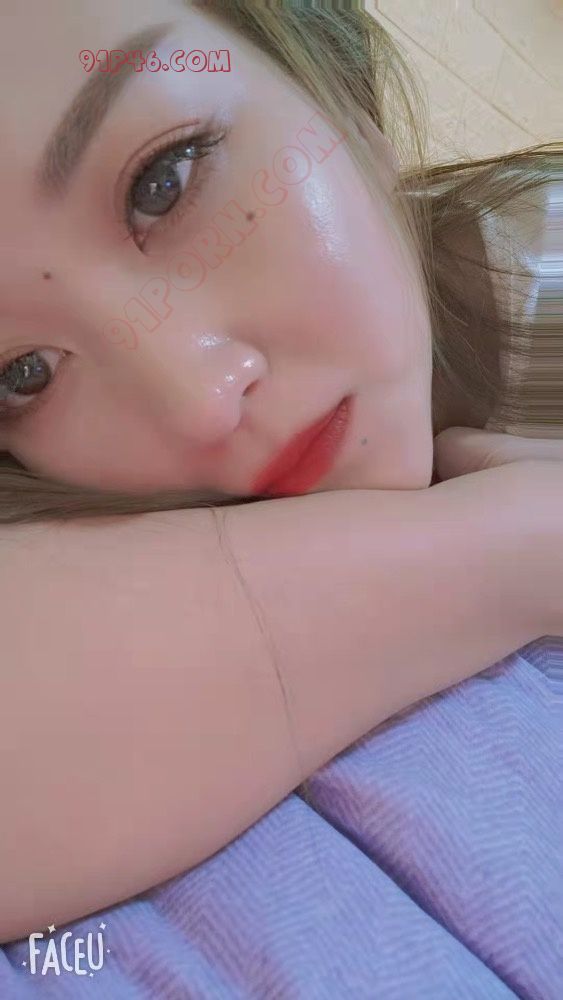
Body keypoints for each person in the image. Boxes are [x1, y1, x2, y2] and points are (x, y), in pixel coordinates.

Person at [0, 0, 561, 945]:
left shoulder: (540, 265)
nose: (199, 399)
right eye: (22, 374)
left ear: (342, 94)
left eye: (165, 182)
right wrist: (517, 546)